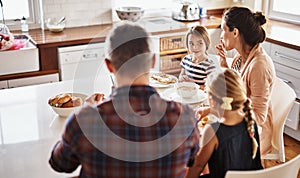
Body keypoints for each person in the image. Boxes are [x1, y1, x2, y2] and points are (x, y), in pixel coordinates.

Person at [49, 21, 200, 178]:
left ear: (109, 65)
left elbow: (60, 164)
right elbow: (191, 159)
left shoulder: (85, 120)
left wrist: (83, 111)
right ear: (153, 61)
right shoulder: (185, 117)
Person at [215, 6, 276, 156]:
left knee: (209, 140)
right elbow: (236, 85)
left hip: (254, 134)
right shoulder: (242, 55)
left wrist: (225, 112)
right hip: (241, 121)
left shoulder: (258, 66)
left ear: (235, 32)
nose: (221, 35)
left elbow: (259, 117)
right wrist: (223, 63)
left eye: (223, 29)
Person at [185, 68, 263, 178]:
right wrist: (210, 109)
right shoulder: (250, 120)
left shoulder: (212, 131)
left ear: (212, 99)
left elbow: (197, 166)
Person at [179, 25, 216, 90]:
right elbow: (181, 75)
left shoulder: (210, 65)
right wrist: (181, 78)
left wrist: (193, 85)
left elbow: (210, 89)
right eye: (191, 43)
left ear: (206, 43)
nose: (195, 47)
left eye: (200, 43)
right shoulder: (186, 60)